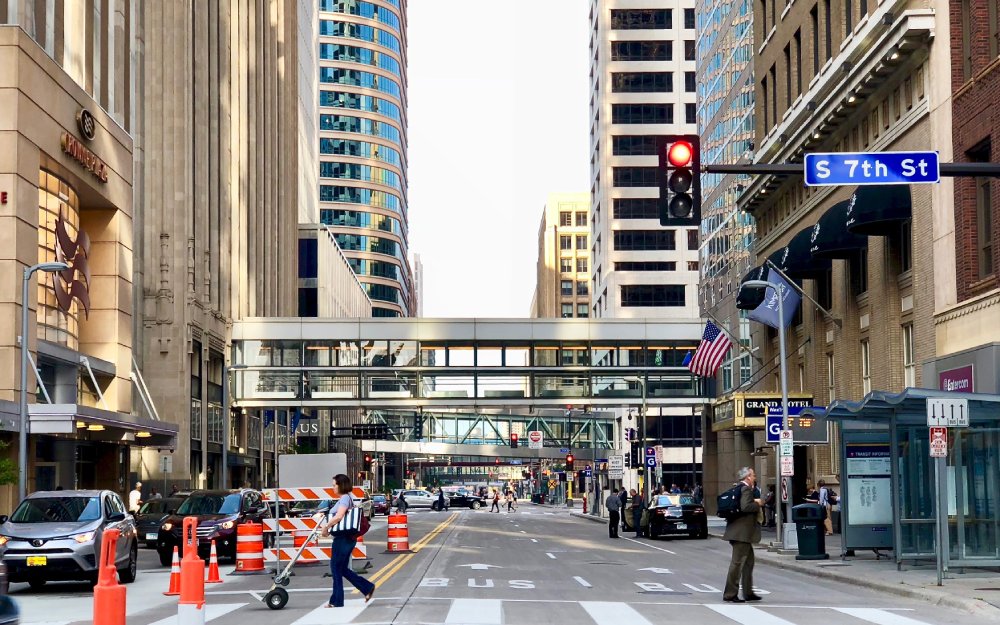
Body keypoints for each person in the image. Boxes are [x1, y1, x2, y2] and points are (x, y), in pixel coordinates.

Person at [321, 474, 374, 608]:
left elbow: (339, 516)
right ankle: (367, 587)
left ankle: (336, 601)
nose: (333, 487)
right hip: (347, 538)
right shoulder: (347, 497)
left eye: (334, 485)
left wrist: (326, 527)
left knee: (335, 568)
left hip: (343, 538)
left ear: (341, 485)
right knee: (342, 568)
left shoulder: (344, 498)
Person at [722, 467, 763, 603]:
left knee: (748, 562)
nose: (755, 477)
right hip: (741, 534)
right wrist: (758, 504)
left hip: (740, 533)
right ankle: (730, 594)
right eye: (753, 475)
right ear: (748, 477)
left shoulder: (739, 488)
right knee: (737, 564)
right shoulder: (745, 489)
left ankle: (748, 592)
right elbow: (745, 507)